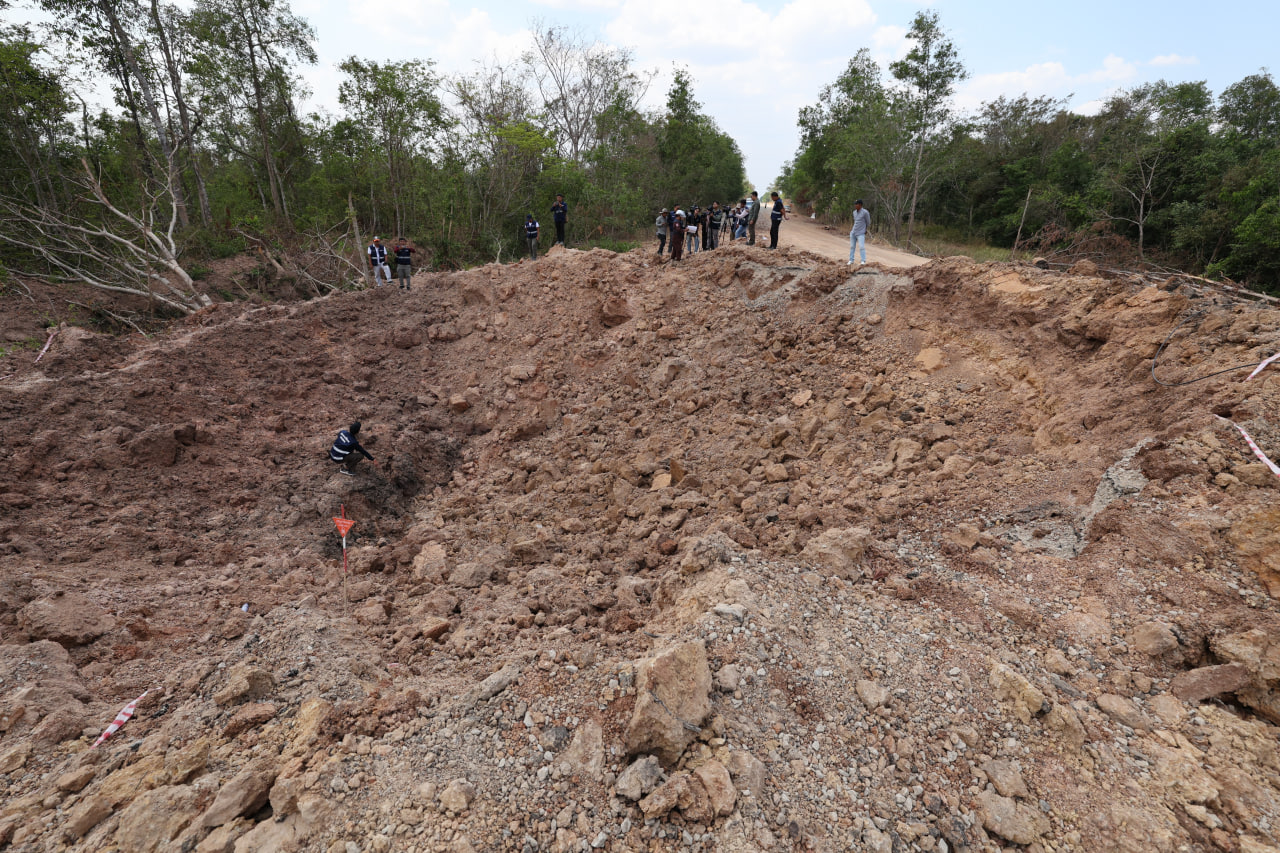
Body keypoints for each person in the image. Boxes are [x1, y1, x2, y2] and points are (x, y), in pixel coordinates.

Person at [849, 199, 870, 266]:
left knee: (861, 247)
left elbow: (868, 222)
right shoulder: (854, 212)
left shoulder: (865, 212)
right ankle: (851, 260)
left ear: (860, 205)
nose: (855, 205)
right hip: (853, 232)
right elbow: (856, 222)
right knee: (852, 246)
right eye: (855, 204)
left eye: (856, 204)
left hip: (861, 233)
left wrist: (865, 229)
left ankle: (863, 261)